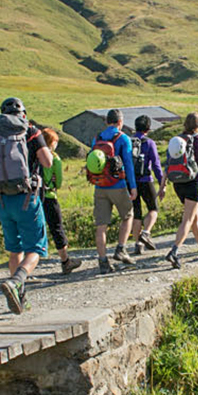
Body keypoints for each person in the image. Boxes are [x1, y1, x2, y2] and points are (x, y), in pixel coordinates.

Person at [0, 97, 58, 314]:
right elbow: (47, 162)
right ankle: (16, 282)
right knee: (35, 249)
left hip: (3, 199)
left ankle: (20, 298)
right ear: (23, 113)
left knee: (15, 249)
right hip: (27, 197)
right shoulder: (30, 131)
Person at [164, 112, 198, 268]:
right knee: (188, 219)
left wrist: (163, 186)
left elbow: (168, 164)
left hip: (177, 182)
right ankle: (174, 252)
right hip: (194, 183)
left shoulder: (176, 140)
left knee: (195, 217)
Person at [86, 108, 137, 272]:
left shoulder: (96, 139)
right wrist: (133, 187)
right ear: (120, 122)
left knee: (101, 226)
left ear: (106, 121)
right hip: (118, 185)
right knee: (128, 216)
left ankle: (102, 261)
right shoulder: (123, 139)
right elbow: (128, 164)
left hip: (100, 186)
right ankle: (121, 248)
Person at [37, 128, 82, 275]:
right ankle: (65, 261)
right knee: (57, 227)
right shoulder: (54, 158)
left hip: (34, 196)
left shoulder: (34, 156)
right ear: (52, 143)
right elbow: (59, 182)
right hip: (49, 196)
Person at [129, 114, 164, 255]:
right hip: (146, 180)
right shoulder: (149, 143)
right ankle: (146, 232)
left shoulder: (128, 142)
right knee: (153, 209)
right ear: (148, 128)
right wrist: (162, 183)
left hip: (131, 182)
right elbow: (156, 165)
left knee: (136, 213)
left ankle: (138, 244)